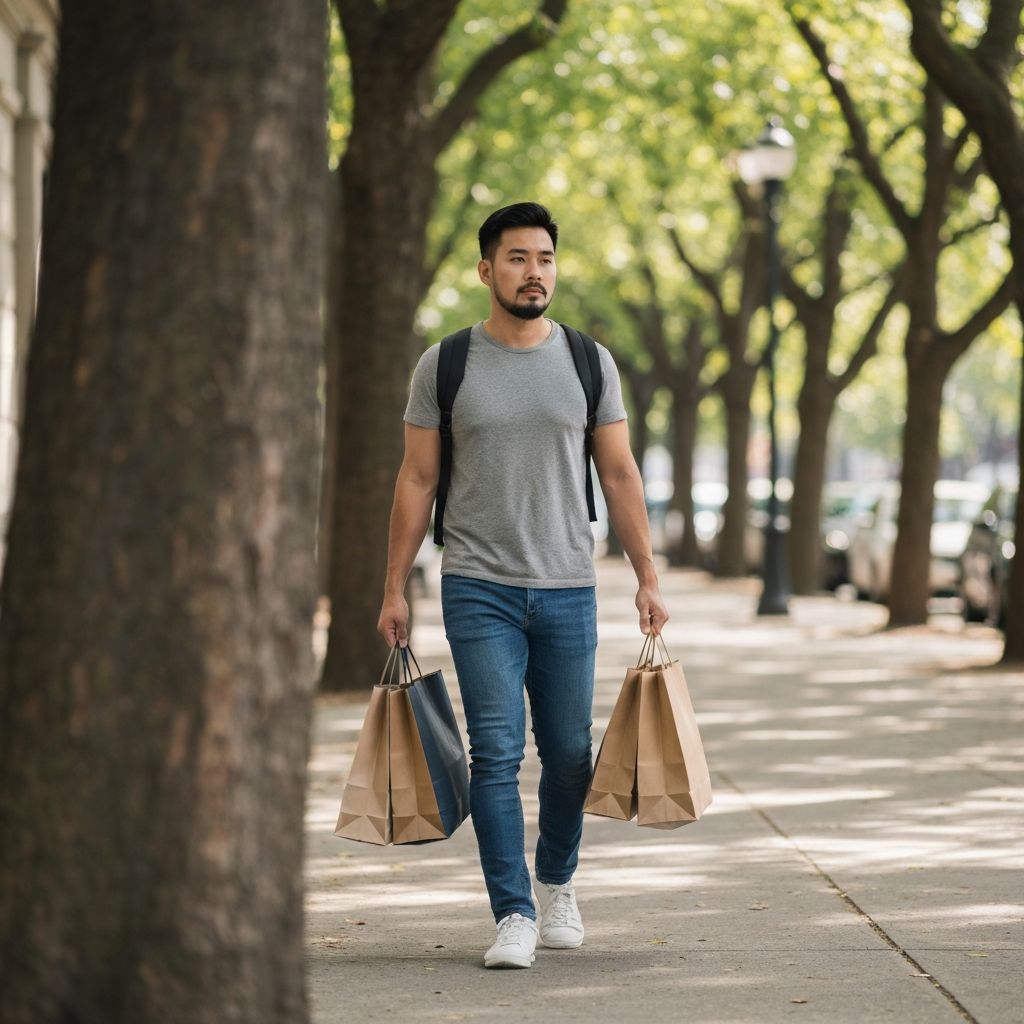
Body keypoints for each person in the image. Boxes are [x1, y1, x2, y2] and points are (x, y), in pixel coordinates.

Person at [376, 201, 668, 969]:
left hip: (569, 583)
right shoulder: (446, 364)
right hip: (478, 583)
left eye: (544, 258)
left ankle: (557, 882)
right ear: (486, 270)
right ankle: (512, 914)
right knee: (495, 753)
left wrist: (646, 574)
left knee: (570, 753)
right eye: (516, 258)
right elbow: (415, 477)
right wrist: (393, 588)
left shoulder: (587, 361)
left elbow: (619, 471)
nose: (533, 271)